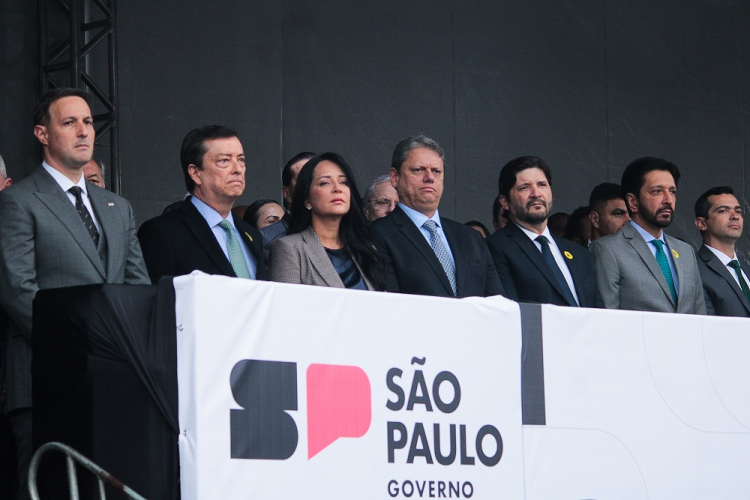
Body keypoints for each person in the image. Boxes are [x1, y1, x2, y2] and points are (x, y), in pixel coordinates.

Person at [0, 88, 150, 498]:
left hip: (112, 382)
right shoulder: (17, 201)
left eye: (88, 122)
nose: (83, 131)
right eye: (69, 122)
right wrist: (80, 349)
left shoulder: (117, 206)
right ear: (42, 134)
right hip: (44, 376)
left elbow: (137, 290)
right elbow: (19, 291)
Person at [370, 135, 504, 298]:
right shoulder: (378, 234)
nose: (430, 178)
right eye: (418, 170)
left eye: (436, 171)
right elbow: (391, 303)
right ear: (395, 177)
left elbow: (496, 302)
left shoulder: (471, 238)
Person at [137, 125, 266, 283]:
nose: (238, 169)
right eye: (224, 160)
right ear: (195, 173)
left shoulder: (252, 235)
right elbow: (155, 301)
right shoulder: (163, 233)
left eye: (241, 160)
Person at [590, 157, 705, 314]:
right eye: (657, 191)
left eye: (672, 191)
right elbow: (608, 318)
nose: (668, 200)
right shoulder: (607, 250)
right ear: (633, 202)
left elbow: (700, 317)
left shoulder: (686, 251)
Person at [486, 156, 601, 307]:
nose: (536, 193)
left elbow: (599, 312)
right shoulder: (494, 247)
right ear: (505, 202)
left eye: (542, 185)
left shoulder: (579, 254)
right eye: (524, 187)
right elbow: (509, 311)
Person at [270, 153, 385, 290]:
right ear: (307, 200)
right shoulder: (290, 248)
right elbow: (287, 307)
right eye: (325, 183)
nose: (337, 188)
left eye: (343, 182)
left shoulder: (366, 248)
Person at [694, 186, 750, 317]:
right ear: (701, 223)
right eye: (723, 211)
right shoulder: (694, 269)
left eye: (738, 211)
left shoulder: (746, 270)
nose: (735, 216)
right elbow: (706, 328)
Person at [259, 152, 316, 265]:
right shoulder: (267, 239)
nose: (314, 185)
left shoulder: (344, 234)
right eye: (304, 179)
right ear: (287, 194)